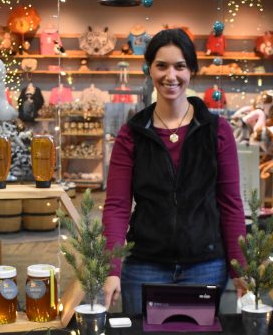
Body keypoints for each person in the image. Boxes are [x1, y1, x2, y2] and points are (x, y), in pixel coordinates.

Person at [102, 28, 248, 313]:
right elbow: (117, 206)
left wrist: (239, 268)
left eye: (180, 66)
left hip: (205, 266)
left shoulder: (217, 131)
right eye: (162, 66)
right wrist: (112, 269)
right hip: (143, 266)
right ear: (150, 70)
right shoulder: (131, 134)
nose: (171, 76)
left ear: (191, 69)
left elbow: (231, 204)